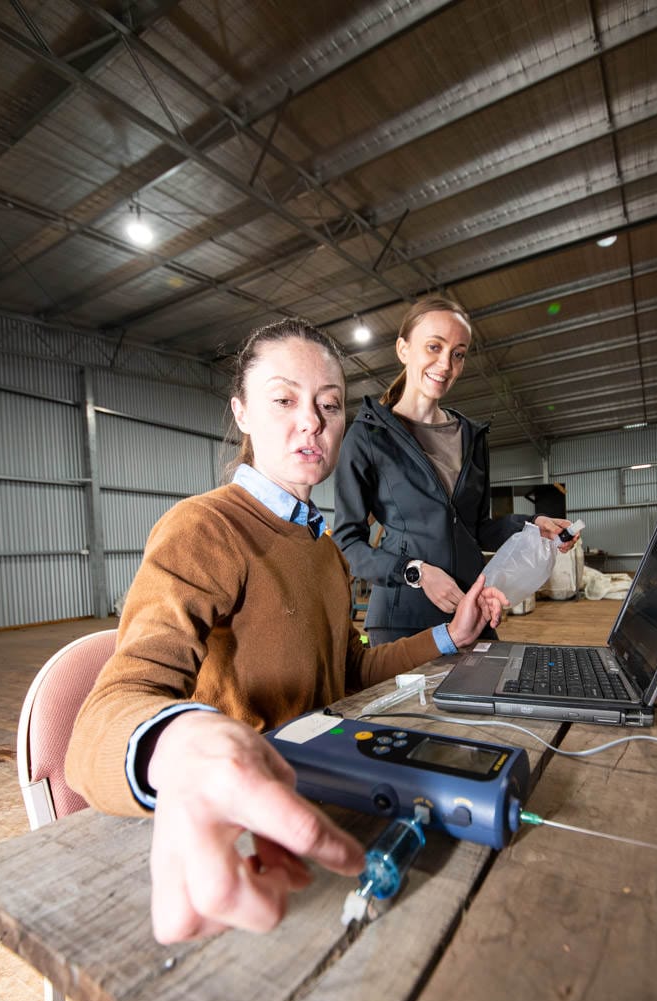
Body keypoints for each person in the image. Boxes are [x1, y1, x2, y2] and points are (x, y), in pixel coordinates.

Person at [65, 318, 508, 945]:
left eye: (330, 405)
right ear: (242, 411)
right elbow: (100, 721)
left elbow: (346, 672)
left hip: (317, 791)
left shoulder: (323, 548)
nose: (313, 421)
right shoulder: (205, 529)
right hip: (240, 840)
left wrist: (449, 638)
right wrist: (177, 744)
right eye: (284, 400)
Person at [332, 295, 578, 645]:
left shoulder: (472, 437)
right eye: (434, 346)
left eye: (457, 353)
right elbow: (347, 543)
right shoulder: (369, 435)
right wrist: (414, 572)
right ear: (403, 349)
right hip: (402, 622)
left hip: (471, 610)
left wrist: (531, 525)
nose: (445, 364)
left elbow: (476, 528)